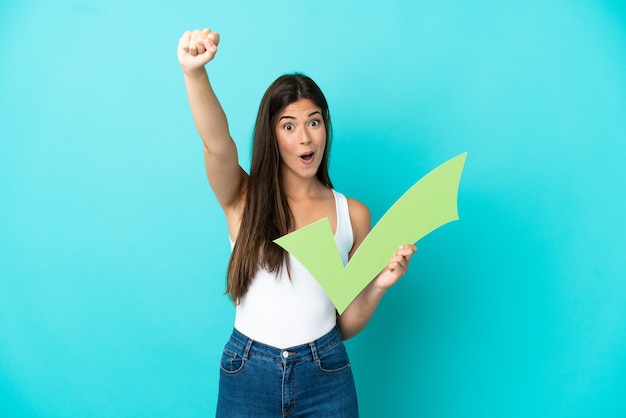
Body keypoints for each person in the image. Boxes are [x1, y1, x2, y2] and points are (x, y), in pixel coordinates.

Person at [177, 28, 417, 418]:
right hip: (248, 372)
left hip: (326, 373)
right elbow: (216, 145)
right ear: (272, 135)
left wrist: (379, 287)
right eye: (288, 125)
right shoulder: (244, 198)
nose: (305, 138)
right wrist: (194, 73)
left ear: (326, 127)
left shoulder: (353, 214)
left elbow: (345, 321)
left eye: (314, 122)